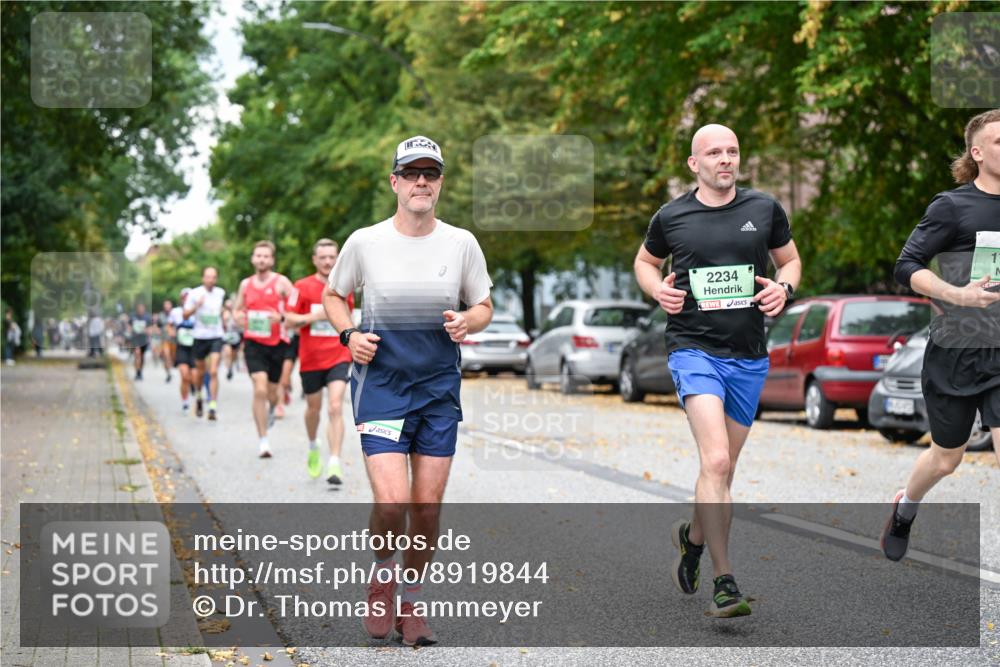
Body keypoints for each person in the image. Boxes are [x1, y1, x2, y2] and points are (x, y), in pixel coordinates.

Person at [323, 135, 493, 646]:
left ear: (440, 183)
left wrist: (468, 321)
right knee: (392, 503)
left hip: (438, 389)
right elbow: (335, 295)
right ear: (394, 181)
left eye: (431, 173)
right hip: (382, 388)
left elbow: (484, 306)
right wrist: (349, 335)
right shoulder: (365, 242)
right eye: (412, 173)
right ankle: (382, 574)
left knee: (426, 508)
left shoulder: (461, 243)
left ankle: (412, 604)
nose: (423, 182)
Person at [633, 124, 801, 618]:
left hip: (748, 354)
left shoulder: (764, 209)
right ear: (695, 164)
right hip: (693, 348)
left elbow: (789, 262)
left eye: (732, 151)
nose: (725, 159)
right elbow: (645, 262)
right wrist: (655, 289)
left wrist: (784, 290)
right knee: (718, 462)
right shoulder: (672, 216)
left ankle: (692, 539)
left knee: (720, 470)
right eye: (714, 152)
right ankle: (725, 582)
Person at [881, 109, 1000, 561]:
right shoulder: (952, 206)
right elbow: (905, 266)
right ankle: (905, 507)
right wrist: (957, 294)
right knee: (947, 458)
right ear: (978, 152)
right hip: (958, 348)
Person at [285, 238, 354, 485]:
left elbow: (347, 320)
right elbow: (288, 319)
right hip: (311, 359)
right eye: (322, 257)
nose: (327, 261)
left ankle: (334, 462)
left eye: (331, 257)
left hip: (338, 355)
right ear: (315, 260)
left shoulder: (345, 288)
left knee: (335, 406)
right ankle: (314, 444)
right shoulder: (301, 286)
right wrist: (312, 316)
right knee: (313, 409)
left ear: (337, 259)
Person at [233, 241, 294, 458]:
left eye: (266, 256)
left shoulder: (281, 282)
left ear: (272, 260)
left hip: (277, 344)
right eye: (258, 255)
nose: (261, 259)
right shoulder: (245, 284)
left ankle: (272, 408)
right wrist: (239, 317)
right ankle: (263, 441)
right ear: (253, 258)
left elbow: (296, 303)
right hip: (253, 343)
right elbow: (237, 310)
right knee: (259, 389)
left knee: (273, 393)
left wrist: (282, 317)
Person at [185, 267, 226, 421]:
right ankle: (199, 396)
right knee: (200, 373)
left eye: (214, 277)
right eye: (208, 277)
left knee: (214, 371)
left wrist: (224, 314)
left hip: (216, 335)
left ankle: (213, 406)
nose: (211, 280)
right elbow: (185, 314)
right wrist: (197, 306)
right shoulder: (194, 293)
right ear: (203, 278)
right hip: (200, 337)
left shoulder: (220, 293)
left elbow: (219, 310)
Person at [170, 289, 197, 414]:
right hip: (181, 346)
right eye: (184, 298)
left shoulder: (198, 312)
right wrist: (171, 332)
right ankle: (185, 402)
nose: (186, 300)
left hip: (195, 346)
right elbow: (169, 325)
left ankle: (196, 392)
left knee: (194, 377)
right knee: (184, 375)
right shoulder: (175, 312)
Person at [129, 303, 152, 380]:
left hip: (143, 339)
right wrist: (131, 330)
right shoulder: (133, 316)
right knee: (137, 354)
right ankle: (137, 372)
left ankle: (140, 371)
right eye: (139, 308)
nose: (140, 310)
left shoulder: (147, 317)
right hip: (135, 339)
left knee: (141, 356)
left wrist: (146, 330)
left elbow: (150, 328)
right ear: (137, 309)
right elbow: (129, 326)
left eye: (142, 308)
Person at [159, 299, 175, 382]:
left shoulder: (175, 314)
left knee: (171, 357)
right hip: (164, 339)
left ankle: (170, 368)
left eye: (168, 305)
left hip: (174, 340)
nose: (167, 307)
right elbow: (157, 326)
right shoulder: (161, 315)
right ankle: (168, 373)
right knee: (166, 355)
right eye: (166, 305)